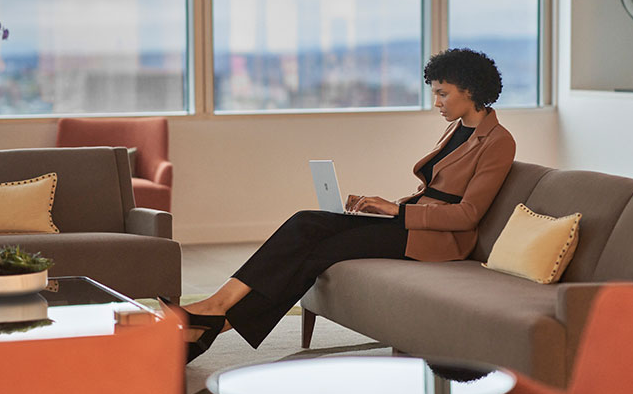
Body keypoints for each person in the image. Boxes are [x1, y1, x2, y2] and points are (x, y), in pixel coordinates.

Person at [160, 48, 517, 363]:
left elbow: (468, 214)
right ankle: (214, 309)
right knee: (305, 223)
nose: (436, 102)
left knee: (321, 250)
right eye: (435, 93)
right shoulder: (457, 129)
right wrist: (385, 205)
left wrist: (398, 212)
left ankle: (211, 321)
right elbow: (435, 191)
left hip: (438, 242)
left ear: (470, 91)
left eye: (443, 94)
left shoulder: (499, 141)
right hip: (411, 222)